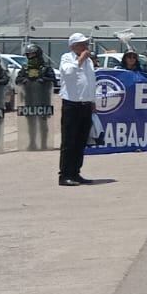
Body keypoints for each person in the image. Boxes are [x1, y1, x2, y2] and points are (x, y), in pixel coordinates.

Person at [58, 32, 99, 187]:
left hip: (86, 105)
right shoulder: (66, 58)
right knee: (69, 141)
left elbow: (90, 82)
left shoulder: (88, 62)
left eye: (86, 44)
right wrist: (80, 59)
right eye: (82, 44)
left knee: (81, 141)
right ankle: (65, 175)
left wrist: (92, 101)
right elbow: (68, 73)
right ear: (73, 46)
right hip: (72, 105)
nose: (85, 47)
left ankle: (76, 172)